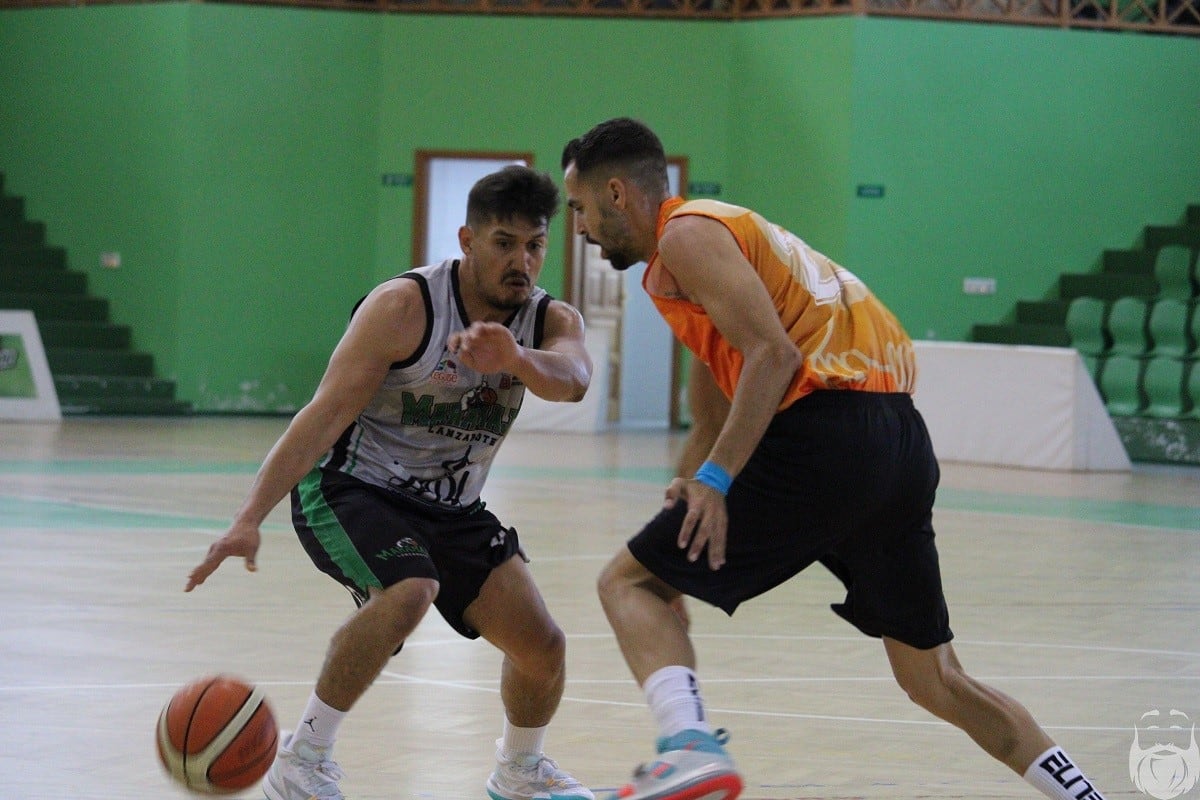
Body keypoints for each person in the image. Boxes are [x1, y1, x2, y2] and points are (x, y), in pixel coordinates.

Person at [560, 118, 1107, 800]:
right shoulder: (714, 249)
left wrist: (710, 485)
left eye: (578, 208)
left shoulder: (686, 234)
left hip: (827, 437)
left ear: (616, 193)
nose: (577, 228)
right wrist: (680, 519)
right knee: (934, 679)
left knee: (625, 585)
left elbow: (775, 357)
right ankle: (1085, 794)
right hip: (898, 443)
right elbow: (712, 409)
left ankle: (689, 749)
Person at [185, 165, 595, 800]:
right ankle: (304, 759)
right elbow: (321, 416)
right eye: (504, 243)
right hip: (355, 486)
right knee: (411, 588)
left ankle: (519, 773)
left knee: (542, 646)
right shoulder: (404, 307)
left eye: (535, 244)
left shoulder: (548, 322)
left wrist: (514, 359)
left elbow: (573, 379)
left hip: (454, 506)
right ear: (466, 239)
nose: (522, 260)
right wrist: (246, 519)